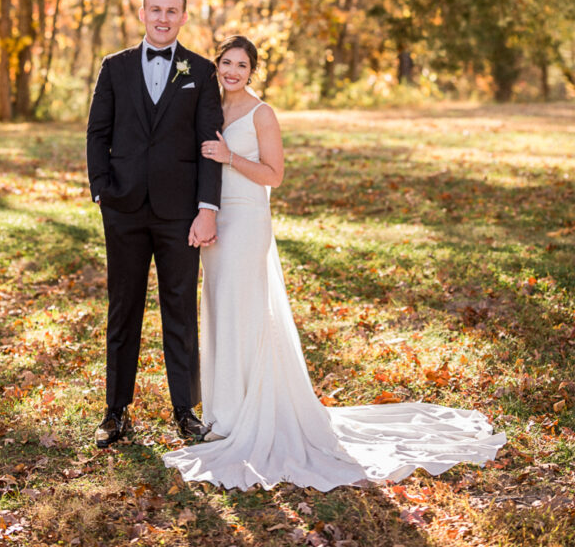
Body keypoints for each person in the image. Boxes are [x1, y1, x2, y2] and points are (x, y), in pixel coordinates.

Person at [163, 35, 505, 490]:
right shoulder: (209, 108)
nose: (232, 71)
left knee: (245, 311)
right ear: (217, 66)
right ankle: (224, 412)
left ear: (252, 71)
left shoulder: (262, 113)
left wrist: (231, 156)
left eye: (242, 65)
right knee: (220, 310)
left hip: (247, 221)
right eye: (226, 62)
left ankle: (255, 413)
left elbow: (275, 175)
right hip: (215, 222)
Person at [86, 0, 223, 450]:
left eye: (172, 11)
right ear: (142, 14)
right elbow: (96, 131)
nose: (163, 17)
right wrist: (102, 190)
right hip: (123, 209)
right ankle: (115, 411)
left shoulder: (202, 72)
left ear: (183, 18)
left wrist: (207, 209)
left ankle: (185, 411)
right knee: (123, 310)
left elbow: (211, 146)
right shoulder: (114, 67)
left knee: (180, 310)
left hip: (179, 213)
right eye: (155, 9)